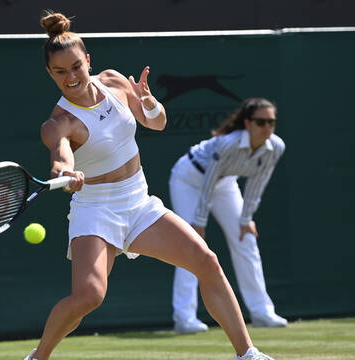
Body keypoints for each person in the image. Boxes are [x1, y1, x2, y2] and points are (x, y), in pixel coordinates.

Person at [24, 11, 276, 360]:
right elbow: (60, 158)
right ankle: (39, 356)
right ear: (50, 74)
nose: (71, 77)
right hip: (95, 210)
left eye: (77, 67)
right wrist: (67, 172)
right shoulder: (58, 123)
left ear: (88, 61)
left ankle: (248, 354)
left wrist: (149, 103)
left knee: (207, 261)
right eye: (61, 72)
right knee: (89, 296)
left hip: (138, 202)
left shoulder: (113, 81)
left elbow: (156, 123)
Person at [168, 98, 287, 334]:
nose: (267, 128)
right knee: (191, 245)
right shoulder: (228, 144)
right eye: (261, 122)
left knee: (247, 240)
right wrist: (199, 223)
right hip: (189, 179)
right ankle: (184, 317)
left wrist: (246, 220)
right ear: (247, 123)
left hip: (225, 184)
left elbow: (258, 183)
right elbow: (208, 182)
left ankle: (262, 311)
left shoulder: (276, 146)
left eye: (271, 122)